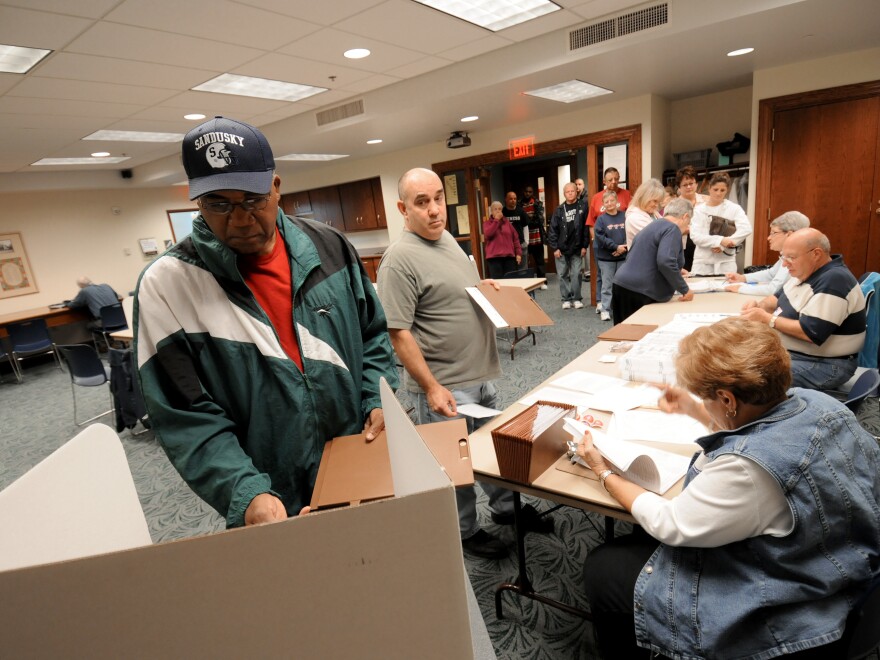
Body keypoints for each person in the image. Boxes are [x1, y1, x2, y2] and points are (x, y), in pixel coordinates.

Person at [135, 116, 398, 528]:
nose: (239, 220)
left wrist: (377, 399)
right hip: (270, 498)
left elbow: (373, 336)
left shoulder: (329, 247)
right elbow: (186, 416)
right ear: (196, 201)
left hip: (356, 464)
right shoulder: (167, 285)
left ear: (276, 187)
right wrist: (245, 491)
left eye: (252, 200)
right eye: (218, 204)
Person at [578, 317, 880, 659]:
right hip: (840, 559)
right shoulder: (818, 403)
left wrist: (603, 472)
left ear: (726, 398)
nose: (702, 403)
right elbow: (759, 426)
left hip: (796, 601)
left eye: (705, 397)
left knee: (604, 567)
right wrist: (694, 408)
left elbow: (671, 523)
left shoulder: (747, 470)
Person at [377, 167, 553, 559]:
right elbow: (398, 333)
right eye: (422, 203)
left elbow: (455, 294)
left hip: (479, 374)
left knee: (492, 451)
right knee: (453, 467)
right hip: (444, 385)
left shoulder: (449, 243)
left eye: (438, 197)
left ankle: (507, 509)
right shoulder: (399, 259)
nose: (435, 209)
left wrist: (481, 288)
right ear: (403, 209)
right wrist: (431, 387)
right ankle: (464, 531)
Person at [741, 228, 866, 390]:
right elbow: (775, 299)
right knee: (731, 359)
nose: (785, 264)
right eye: (783, 257)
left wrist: (767, 319)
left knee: (744, 377)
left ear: (816, 254)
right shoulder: (806, 272)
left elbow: (811, 332)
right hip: (801, 356)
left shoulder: (834, 280)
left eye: (791, 257)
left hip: (827, 366)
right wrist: (758, 306)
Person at [611, 197, 694, 322]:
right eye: (689, 222)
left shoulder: (653, 225)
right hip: (641, 290)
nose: (688, 226)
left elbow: (641, 256)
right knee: (639, 334)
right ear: (685, 217)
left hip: (621, 283)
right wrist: (684, 289)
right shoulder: (672, 229)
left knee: (622, 334)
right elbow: (665, 261)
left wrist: (676, 270)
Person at [724, 211, 810, 295]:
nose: (769, 238)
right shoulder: (790, 254)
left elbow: (773, 289)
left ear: (789, 234)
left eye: (773, 233)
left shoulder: (795, 258)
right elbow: (772, 273)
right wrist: (743, 278)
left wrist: (740, 288)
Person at [586, 168, 633, 314]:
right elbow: (592, 223)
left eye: (616, 179)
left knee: (621, 278)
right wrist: (601, 243)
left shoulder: (626, 194)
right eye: (610, 179)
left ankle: (618, 306)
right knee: (603, 275)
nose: (614, 182)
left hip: (622, 246)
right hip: (602, 245)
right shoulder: (596, 197)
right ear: (604, 181)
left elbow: (630, 220)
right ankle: (601, 303)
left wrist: (622, 247)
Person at [689, 171, 752, 275]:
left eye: (722, 190)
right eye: (715, 189)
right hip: (703, 263)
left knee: (726, 289)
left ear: (727, 191)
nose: (718, 193)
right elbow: (695, 236)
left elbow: (746, 229)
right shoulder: (699, 210)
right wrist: (719, 241)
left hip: (726, 262)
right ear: (709, 188)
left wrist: (726, 243)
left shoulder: (734, 208)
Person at [548, 182, 589, 310]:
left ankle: (576, 298)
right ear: (564, 194)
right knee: (562, 275)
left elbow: (586, 228)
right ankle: (566, 299)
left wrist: (584, 246)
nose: (570, 193)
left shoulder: (583, 206)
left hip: (577, 248)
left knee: (576, 274)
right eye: (567, 192)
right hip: (561, 249)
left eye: (572, 191)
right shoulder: (559, 210)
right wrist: (555, 248)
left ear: (576, 192)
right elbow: (552, 230)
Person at [592, 190, 627, 321]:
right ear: (603, 204)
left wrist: (622, 248)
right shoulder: (601, 220)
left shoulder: (625, 216)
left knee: (622, 285)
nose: (610, 203)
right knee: (607, 286)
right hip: (606, 259)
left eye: (612, 200)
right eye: (606, 202)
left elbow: (630, 233)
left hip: (623, 256)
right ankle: (605, 309)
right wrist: (615, 247)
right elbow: (600, 237)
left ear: (617, 201)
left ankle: (621, 309)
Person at [675, 165, 707, 271]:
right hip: (683, 248)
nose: (689, 187)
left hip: (704, 247)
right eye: (685, 185)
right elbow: (672, 229)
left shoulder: (706, 201)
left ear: (696, 184)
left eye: (691, 183)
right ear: (679, 187)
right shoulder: (674, 205)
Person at [482, 201, 521, 278]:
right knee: (498, 283)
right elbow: (488, 234)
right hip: (494, 258)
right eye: (495, 209)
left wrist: (518, 253)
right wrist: (496, 220)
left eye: (499, 209)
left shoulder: (507, 223)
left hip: (509, 257)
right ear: (491, 211)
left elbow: (515, 238)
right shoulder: (487, 223)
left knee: (511, 281)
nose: (498, 211)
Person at [624, 178, 665, 249]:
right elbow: (658, 238)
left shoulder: (653, 213)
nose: (657, 205)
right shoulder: (634, 218)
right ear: (645, 197)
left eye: (658, 202)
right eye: (655, 201)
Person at [520, 185, 548, 287]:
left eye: (530, 192)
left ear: (533, 193)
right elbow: (520, 221)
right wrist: (527, 222)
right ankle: (527, 283)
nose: (528, 193)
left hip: (537, 236)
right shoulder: (520, 204)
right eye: (526, 191)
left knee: (539, 261)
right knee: (525, 262)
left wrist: (527, 222)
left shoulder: (537, 203)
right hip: (525, 237)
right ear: (524, 192)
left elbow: (540, 220)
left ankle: (542, 282)